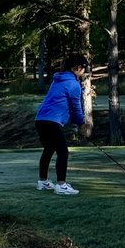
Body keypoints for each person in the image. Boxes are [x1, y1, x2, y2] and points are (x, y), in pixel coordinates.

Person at [35, 53, 89, 195]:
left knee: (49, 149)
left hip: (40, 120)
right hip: (52, 121)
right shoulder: (73, 84)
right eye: (84, 68)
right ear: (77, 68)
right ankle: (61, 185)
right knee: (63, 152)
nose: (84, 71)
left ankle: (43, 182)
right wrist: (82, 124)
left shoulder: (57, 80)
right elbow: (76, 108)